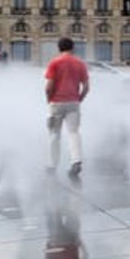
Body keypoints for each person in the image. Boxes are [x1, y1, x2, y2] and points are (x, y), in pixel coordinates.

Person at [45, 37, 90, 177]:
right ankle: (76, 161)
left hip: (56, 102)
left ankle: (52, 165)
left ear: (59, 48)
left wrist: (49, 99)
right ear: (73, 48)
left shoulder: (55, 62)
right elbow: (87, 87)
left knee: (54, 134)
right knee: (73, 132)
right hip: (73, 103)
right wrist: (79, 99)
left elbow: (48, 87)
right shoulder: (80, 63)